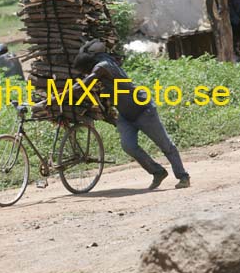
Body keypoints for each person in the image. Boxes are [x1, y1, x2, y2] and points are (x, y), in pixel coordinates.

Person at [73, 41, 190, 189]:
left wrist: (61, 96)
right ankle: (158, 172)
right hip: (126, 115)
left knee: (165, 144)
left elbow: (84, 84)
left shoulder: (103, 67)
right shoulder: (102, 69)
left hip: (143, 110)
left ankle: (183, 176)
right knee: (129, 146)